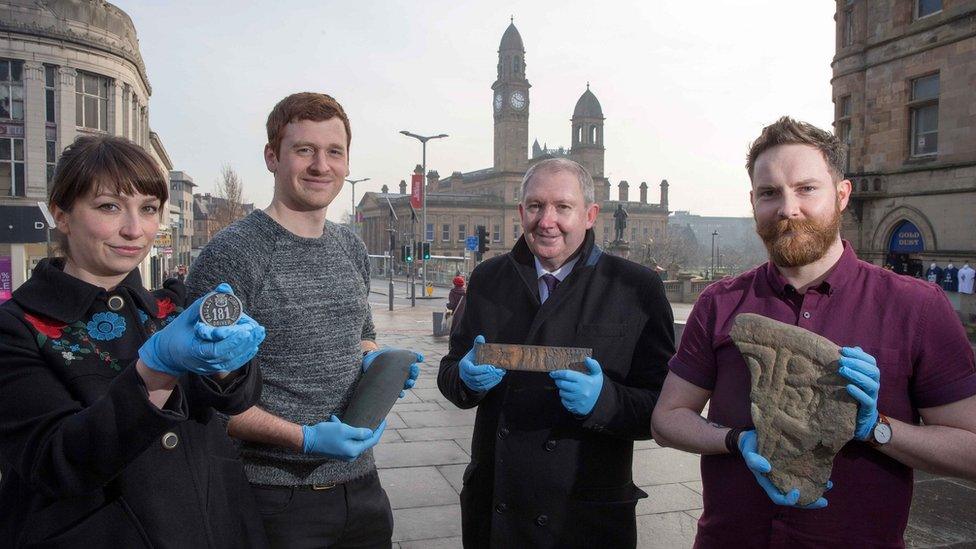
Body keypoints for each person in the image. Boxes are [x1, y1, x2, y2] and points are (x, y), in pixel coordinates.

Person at [650, 116, 976, 548]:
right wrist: (735, 439)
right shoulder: (720, 302)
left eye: (806, 188)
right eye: (770, 193)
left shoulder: (917, 307)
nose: (788, 208)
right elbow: (667, 421)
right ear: (753, 202)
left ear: (842, 195)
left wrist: (876, 428)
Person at [0, 135, 269, 548]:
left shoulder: (170, 305)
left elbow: (233, 403)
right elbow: (55, 461)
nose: (134, 229)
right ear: (63, 215)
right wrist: (154, 371)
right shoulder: (18, 327)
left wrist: (229, 362)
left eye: (147, 209)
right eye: (109, 206)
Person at [187, 92, 422, 548]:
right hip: (273, 499)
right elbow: (205, 402)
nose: (321, 165)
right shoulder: (233, 256)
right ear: (272, 157)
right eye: (304, 150)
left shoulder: (349, 245)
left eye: (334, 152)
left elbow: (363, 336)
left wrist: (378, 364)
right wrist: (307, 439)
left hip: (364, 491)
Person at [438, 158, 675, 548]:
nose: (547, 221)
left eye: (563, 207)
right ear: (521, 212)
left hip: (584, 516)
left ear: (590, 215)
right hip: (499, 509)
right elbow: (449, 374)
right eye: (535, 206)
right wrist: (463, 378)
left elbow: (665, 407)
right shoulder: (488, 279)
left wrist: (605, 400)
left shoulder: (637, 289)